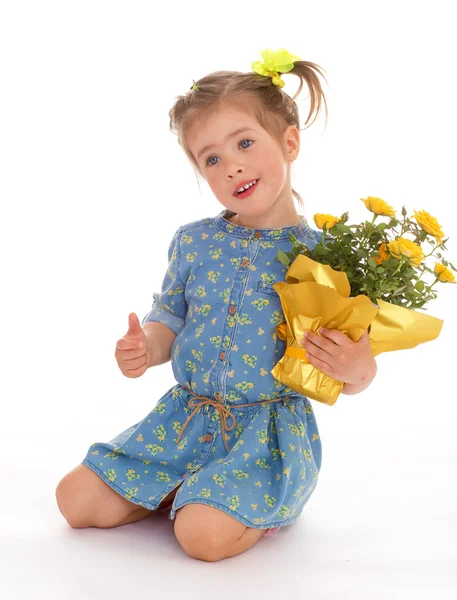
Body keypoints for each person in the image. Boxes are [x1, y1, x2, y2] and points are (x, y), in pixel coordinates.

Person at [55, 48, 378, 562]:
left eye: (245, 143)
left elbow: (351, 361)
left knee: (201, 540)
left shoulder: (323, 258)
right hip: (184, 421)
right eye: (211, 158)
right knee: (73, 501)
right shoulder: (193, 242)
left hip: (265, 436)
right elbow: (169, 319)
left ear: (289, 142)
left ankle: (248, 502)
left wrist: (360, 369)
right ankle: (187, 485)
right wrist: (147, 348)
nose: (232, 166)